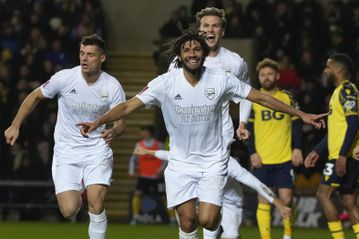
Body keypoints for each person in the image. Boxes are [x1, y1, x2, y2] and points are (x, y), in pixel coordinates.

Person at [78, 29, 324, 239]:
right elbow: (128, 105)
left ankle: (212, 226)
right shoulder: (165, 82)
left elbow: (260, 97)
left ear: (204, 53)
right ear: (180, 55)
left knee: (207, 220)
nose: (192, 53)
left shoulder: (221, 79)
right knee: (187, 222)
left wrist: (300, 115)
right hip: (180, 163)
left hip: (212, 162)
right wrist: (99, 121)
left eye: (197, 49)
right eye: (187, 50)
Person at [4, 34, 126, 239]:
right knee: (70, 210)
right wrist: (15, 125)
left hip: (96, 149)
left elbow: (121, 122)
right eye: (82, 53)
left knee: (96, 202)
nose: (84, 58)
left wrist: (113, 131)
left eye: (90, 55)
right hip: (66, 151)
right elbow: (34, 95)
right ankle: (77, 198)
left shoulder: (112, 86)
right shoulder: (65, 78)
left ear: (102, 58)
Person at [168, 8, 253, 237]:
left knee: (207, 210)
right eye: (205, 26)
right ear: (199, 29)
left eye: (215, 26)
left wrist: (242, 123)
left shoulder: (235, 63)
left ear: (222, 31)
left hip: (218, 140)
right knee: (187, 213)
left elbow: (247, 94)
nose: (210, 30)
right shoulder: (180, 60)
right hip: (185, 142)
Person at [133, 144, 292, 239]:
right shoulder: (194, 157)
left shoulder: (229, 164)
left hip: (231, 201)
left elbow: (256, 183)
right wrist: (147, 152)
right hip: (209, 198)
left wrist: (279, 204)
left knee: (231, 236)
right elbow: (170, 155)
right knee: (208, 232)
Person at [304, 53, 359, 239]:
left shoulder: (347, 90)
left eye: (328, 67)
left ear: (338, 70)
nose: (325, 71)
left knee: (323, 194)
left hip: (342, 156)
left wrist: (343, 155)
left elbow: (353, 124)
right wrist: (317, 150)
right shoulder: (338, 93)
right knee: (349, 201)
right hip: (343, 154)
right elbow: (337, 130)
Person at [247, 58, 303, 239]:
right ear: (259, 77)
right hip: (262, 159)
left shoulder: (288, 97)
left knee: (286, 200)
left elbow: (297, 125)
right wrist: (252, 152)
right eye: (263, 75)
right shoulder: (253, 98)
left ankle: (287, 236)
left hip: (284, 158)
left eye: (270, 74)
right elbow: (248, 130)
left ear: (277, 75)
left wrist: (298, 148)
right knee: (264, 201)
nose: (266, 78)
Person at [128, 125, 168, 225]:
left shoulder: (159, 144)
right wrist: (131, 170)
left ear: (150, 133)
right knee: (138, 194)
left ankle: (172, 219)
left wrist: (161, 169)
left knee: (164, 197)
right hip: (144, 176)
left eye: (145, 131)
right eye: (142, 132)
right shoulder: (139, 144)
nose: (143, 134)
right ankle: (135, 217)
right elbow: (133, 159)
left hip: (157, 176)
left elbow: (165, 159)